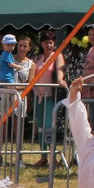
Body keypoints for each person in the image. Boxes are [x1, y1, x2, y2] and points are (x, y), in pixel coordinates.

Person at [33, 30, 66, 168]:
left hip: (51, 97)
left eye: (51, 43)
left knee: (48, 126)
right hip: (38, 97)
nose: (49, 45)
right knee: (40, 126)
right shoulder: (37, 58)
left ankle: (53, 156)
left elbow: (60, 71)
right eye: (46, 43)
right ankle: (43, 156)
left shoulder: (57, 56)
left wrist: (60, 79)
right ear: (41, 44)